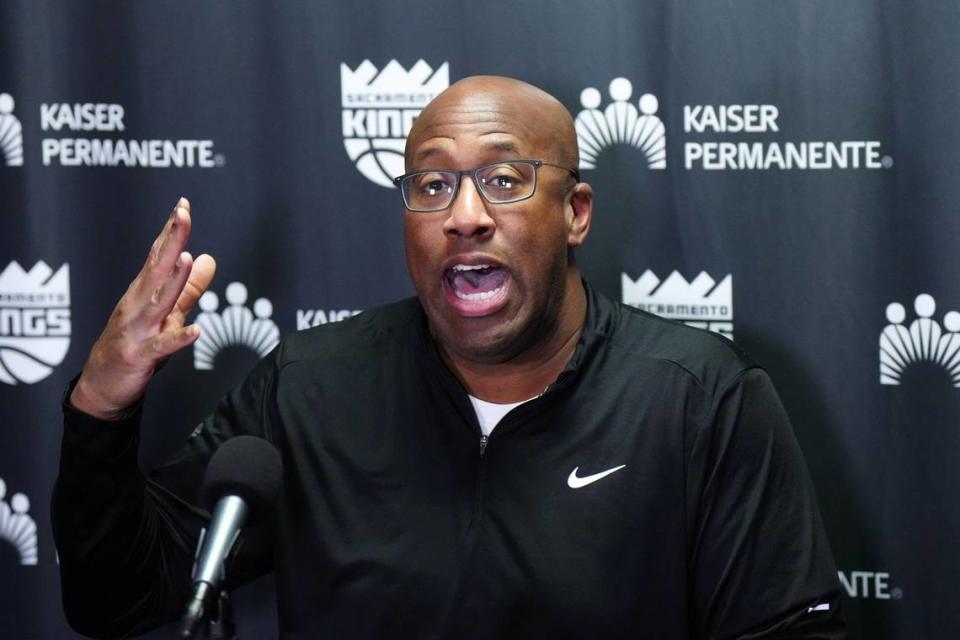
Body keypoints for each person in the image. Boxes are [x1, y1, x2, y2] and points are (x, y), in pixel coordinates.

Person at [53, 76, 847, 639]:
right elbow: (116, 601)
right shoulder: (307, 391)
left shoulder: (699, 399)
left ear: (575, 212)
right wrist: (99, 407)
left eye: (504, 179)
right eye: (431, 186)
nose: (463, 216)